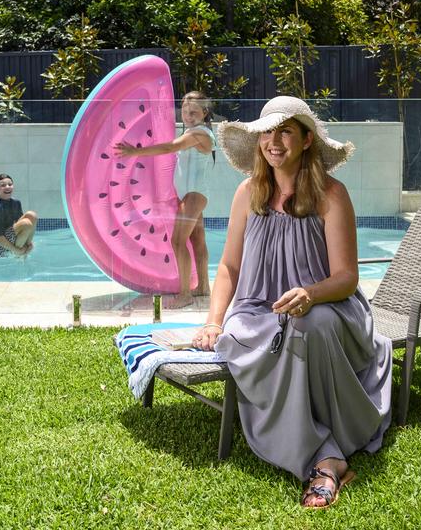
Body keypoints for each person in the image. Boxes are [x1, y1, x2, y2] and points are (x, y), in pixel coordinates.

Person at [192, 96, 392, 509]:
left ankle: (326, 459)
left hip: (330, 308)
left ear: (305, 140)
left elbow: (346, 278)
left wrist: (310, 294)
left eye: (285, 131)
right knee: (252, 333)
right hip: (259, 310)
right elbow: (229, 266)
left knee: (308, 325)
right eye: (267, 131)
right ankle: (327, 454)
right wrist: (214, 321)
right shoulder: (248, 193)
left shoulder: (331, 195)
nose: (274, 141)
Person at [115, 91, 216, 307]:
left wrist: (135, 152)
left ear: (205, 112)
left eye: (194, 112)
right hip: (193, 194)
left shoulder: (199, 134)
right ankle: (203, 287)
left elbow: (170, 147)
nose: (188, 116)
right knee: (197, 240)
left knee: (178, 241)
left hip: (193, 195)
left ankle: (185, 295)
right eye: (185, 112)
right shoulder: (194, 131)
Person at [0, 174, 38, 258]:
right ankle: (18, 255)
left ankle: (27, 247)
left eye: (10, 184)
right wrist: (16, 250)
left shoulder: (16, 203)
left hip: (9, 237)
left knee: (32, 215)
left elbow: (18, 225)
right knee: (26, 224)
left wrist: (29, 243)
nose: (7, 187)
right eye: (3, 185)